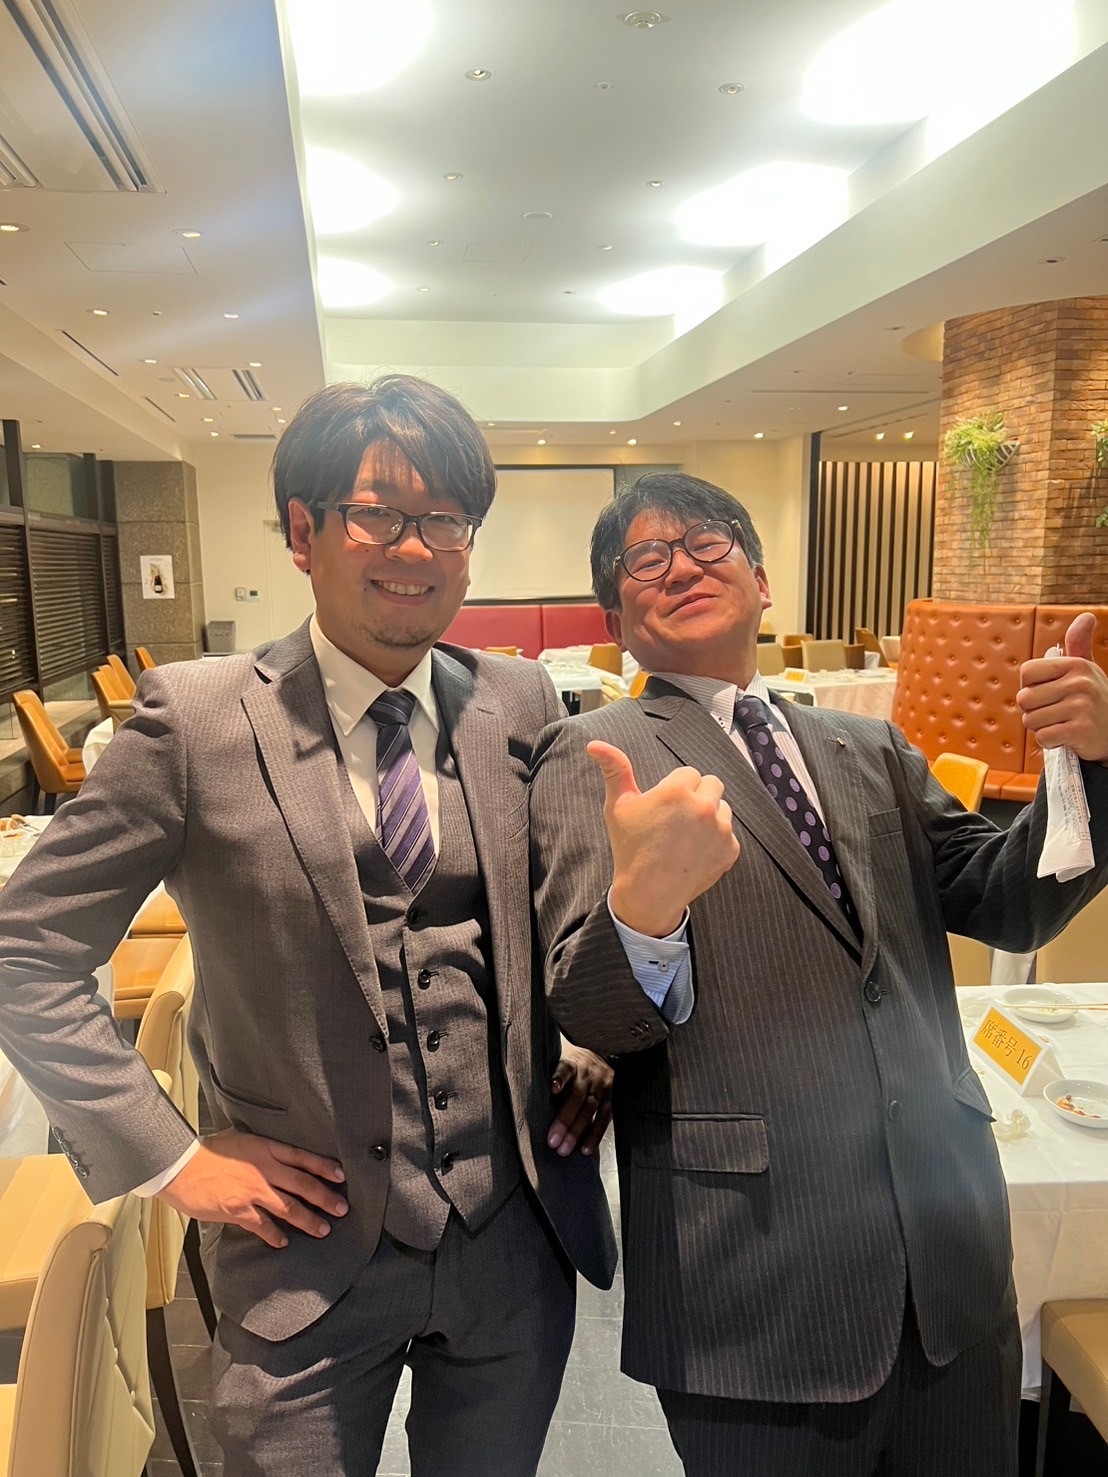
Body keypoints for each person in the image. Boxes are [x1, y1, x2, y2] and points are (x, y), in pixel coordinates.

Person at [0, 376, 617, 1476]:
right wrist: (170, 1155)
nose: (414, 547)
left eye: (445, 520)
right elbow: (23, 951)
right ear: (304, 530)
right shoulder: (196, 720)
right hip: (300, 1259)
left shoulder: (519, 704)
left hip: (509, 1249)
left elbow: (560, 926)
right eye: (378, 514)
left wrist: (591, 1040)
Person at [529, 471, 1108, 1477]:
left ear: (761, 581)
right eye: (645, 559)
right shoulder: (592, 755)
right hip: (755, 1280)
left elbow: (1005, 900)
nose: (681, 566)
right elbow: (591, 1014)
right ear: (615, 619)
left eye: (707, 542)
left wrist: (1090, 765)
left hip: (951, 1261)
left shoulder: (867, 743)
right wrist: (645, 904)